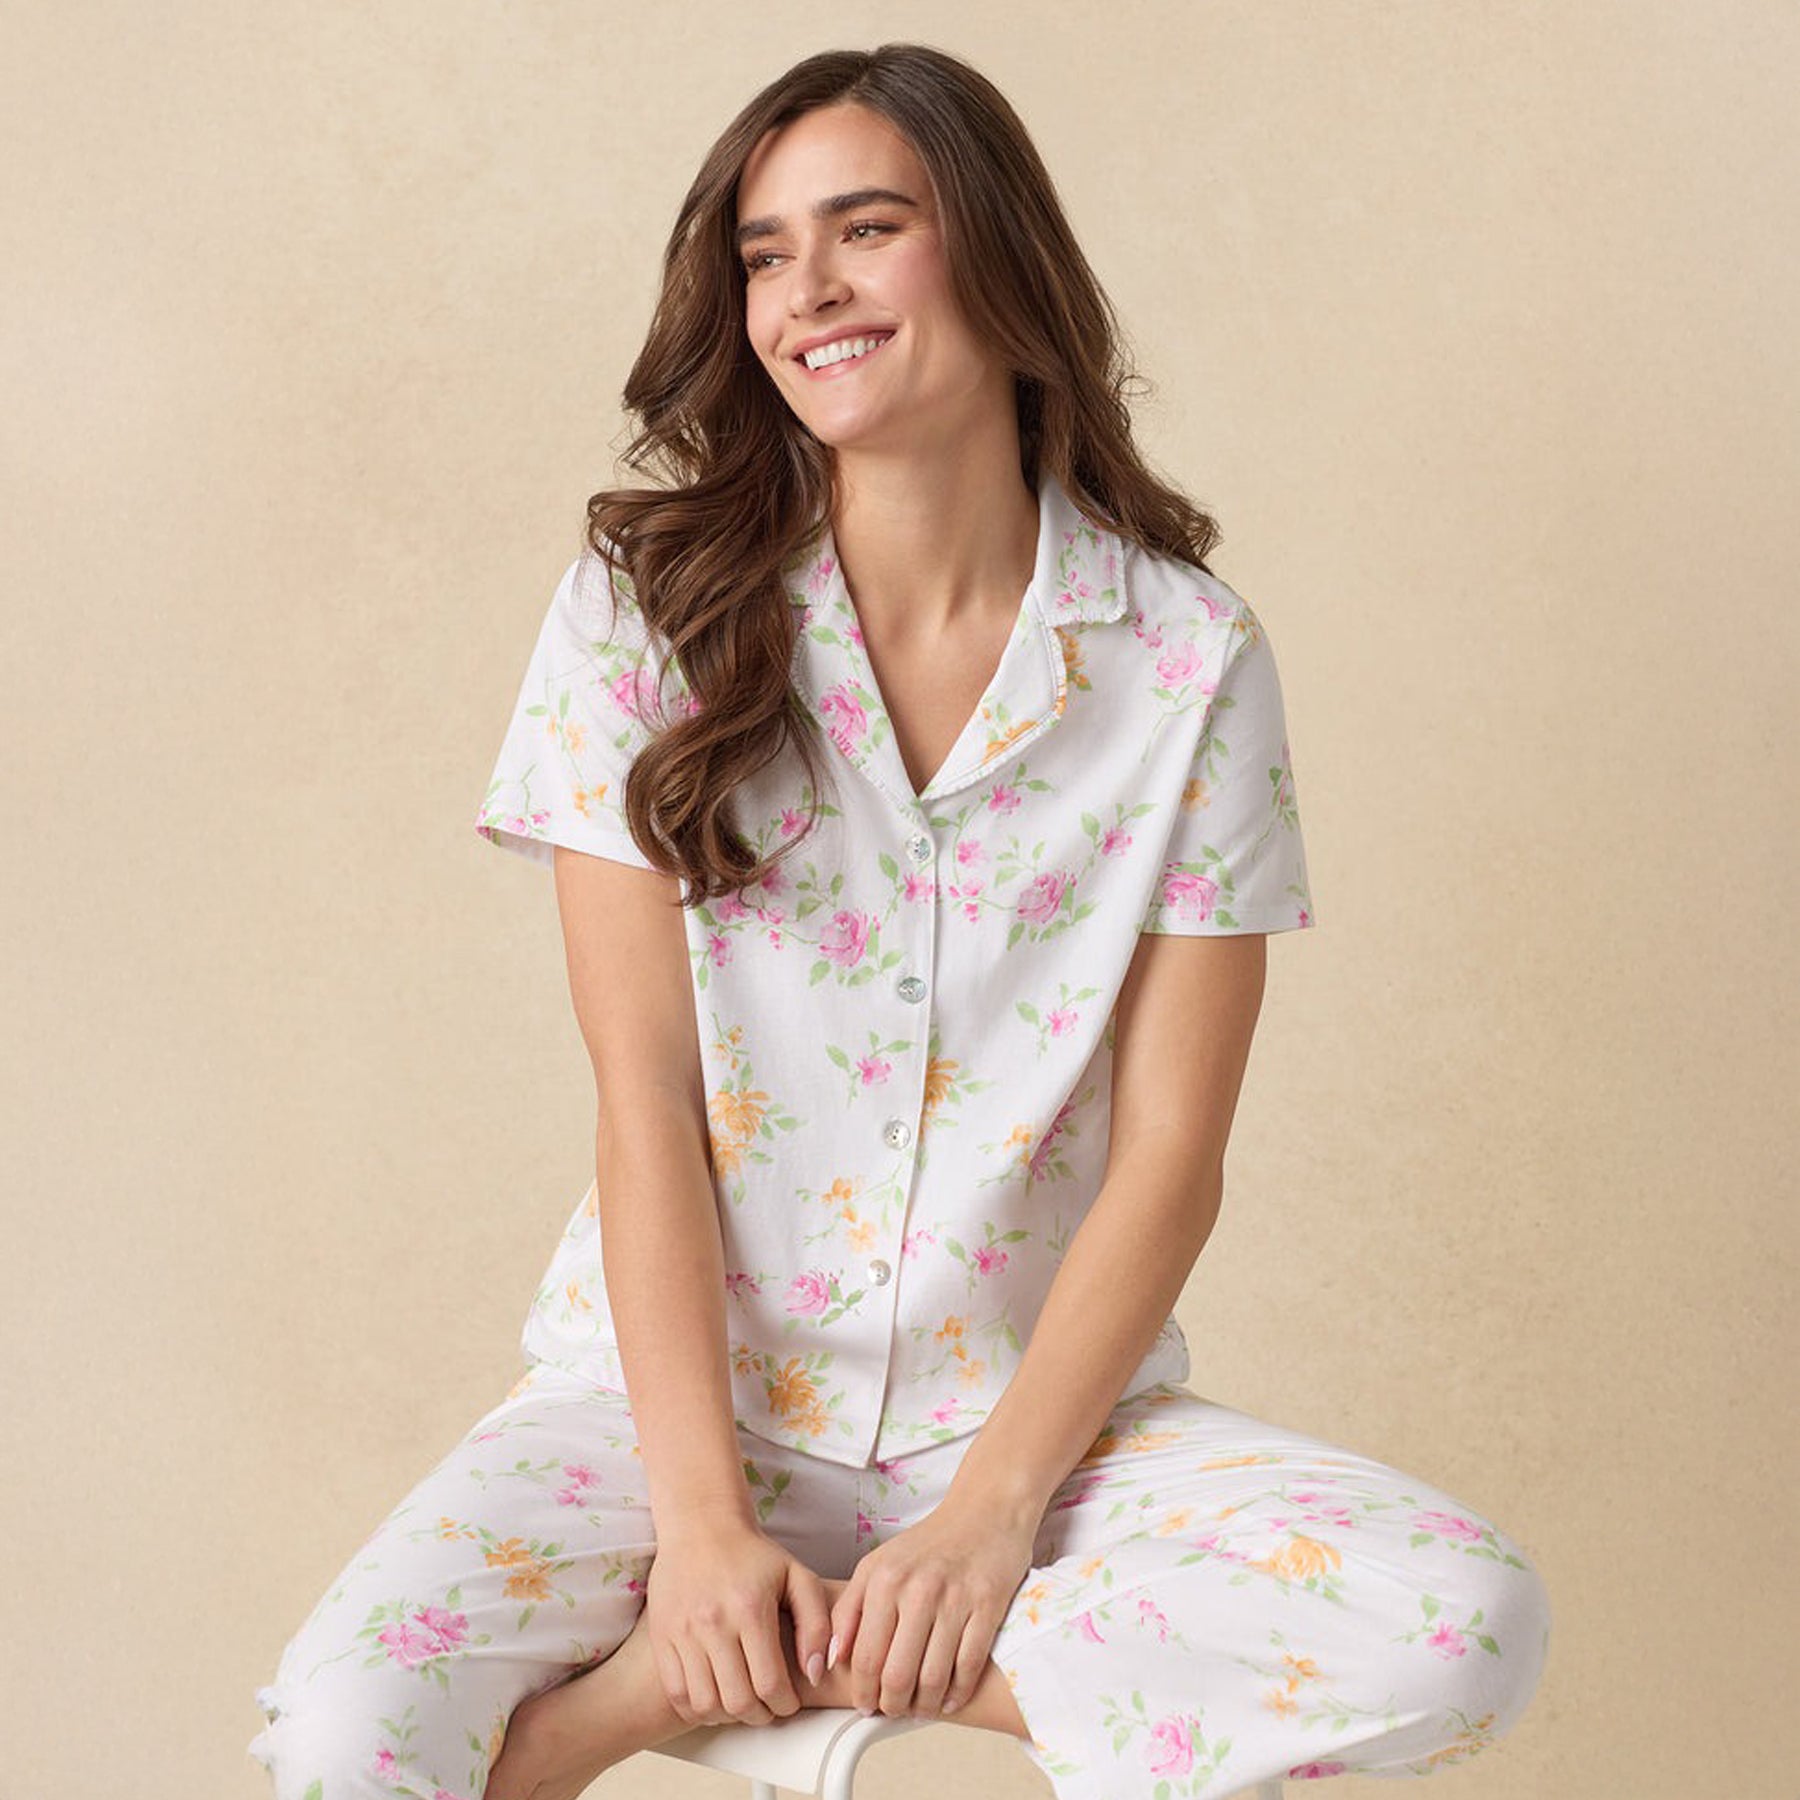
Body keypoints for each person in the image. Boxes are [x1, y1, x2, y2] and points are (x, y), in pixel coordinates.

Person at [248, 42, 1550, 1800]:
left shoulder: (1188, 661)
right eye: (766, 254)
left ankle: (828, 1659)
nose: (809, 291)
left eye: (866, 229)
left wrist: (992, 1518)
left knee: (1464, 1623)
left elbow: (1173, 1154)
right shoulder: (642, 616)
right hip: (673, 1404)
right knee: (344, 1737)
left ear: (996, 253)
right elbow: (646, 1104)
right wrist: (701, 1533)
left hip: (1023, 1421)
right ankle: (655, 1683)